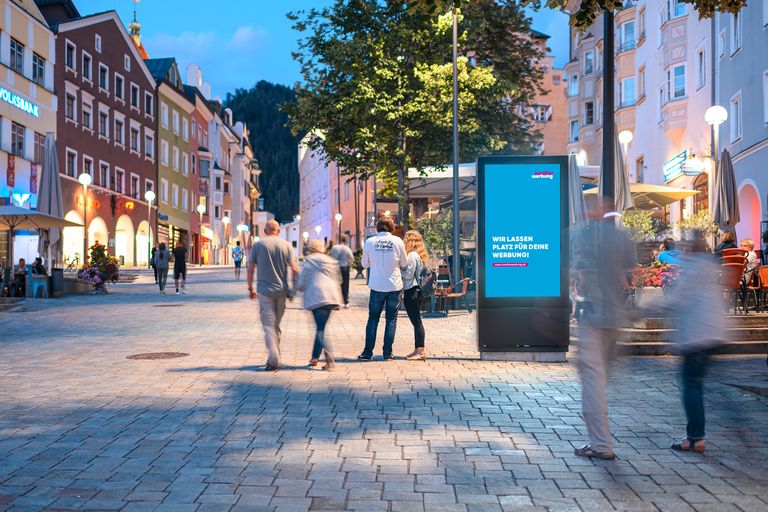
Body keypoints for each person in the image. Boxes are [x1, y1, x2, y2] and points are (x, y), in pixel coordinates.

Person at [570, 202, 636, 460]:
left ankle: (600, 445)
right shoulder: (620, 237)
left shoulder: (586, 235)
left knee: (592, 383)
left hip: (593, 315)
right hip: (615, 317)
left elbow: (581, 271)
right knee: (601, 380)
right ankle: (600, 441)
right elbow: (628, 274)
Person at [666, 235, 727, 453]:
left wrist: (640, 310)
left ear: (691, 249)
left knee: (690, 385)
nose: (682, 252)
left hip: (697, 335)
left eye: (685, 247)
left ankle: (695, 438)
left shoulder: (692, 270)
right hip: (715, 333)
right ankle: (698, 435)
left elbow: (676, 301)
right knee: (699, 384)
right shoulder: (710, 268)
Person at [247, 220, 299, 371]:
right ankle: (274, 357)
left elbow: (250, 268)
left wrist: (250, 287)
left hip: (264, 291)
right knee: (275, 325)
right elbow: (295, 268)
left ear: (265, 230)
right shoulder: (287, 245)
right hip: (282, 291)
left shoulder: (258, 245)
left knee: (269, 325)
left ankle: (274, 356)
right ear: (279, 231)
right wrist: (293, 290)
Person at [358, 216, 408, 361]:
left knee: (373, 319)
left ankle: (367, 353)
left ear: (377, 228)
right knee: (391, 320)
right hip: (394, 285)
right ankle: (388, 353)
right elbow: (404, 263)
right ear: (392, 227)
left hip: (376, 285)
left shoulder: (370, 242)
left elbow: (364, 264)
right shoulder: (397, 241)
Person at [295, 239, 342, 370]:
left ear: (310, 249)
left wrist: (295, 290)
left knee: (320, 329)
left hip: (318, 297)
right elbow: (340, 279)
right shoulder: (331, 260)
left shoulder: (309, 260)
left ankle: (329, 359)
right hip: (332, 296)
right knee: (320, 327)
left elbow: (302, 280)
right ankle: (315, 357)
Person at [401, 230, 428, 361]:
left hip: (411, 291)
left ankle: (420, 351)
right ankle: (418, 349)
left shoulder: (412, 255)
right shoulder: (419, 255)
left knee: (417, 322)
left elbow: (408, 275)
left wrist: (399, 269)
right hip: (416, 291)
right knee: (417, 321)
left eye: (405, 239)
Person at [330, 234, 354, 308]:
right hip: (345, 268)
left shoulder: (334, 248)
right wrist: (349, 265)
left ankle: (336, 302)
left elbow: (331, 258)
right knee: (345, 285)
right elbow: (351, 258)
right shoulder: (347, 248)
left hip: (336, 268)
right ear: (345, 240)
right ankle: (346, 302)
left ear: (338, 240)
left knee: (336, 285)